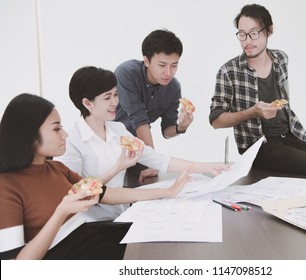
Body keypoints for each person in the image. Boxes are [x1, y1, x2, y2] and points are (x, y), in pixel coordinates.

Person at [0, 93, 194, 260]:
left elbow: (108, 195)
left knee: (167, 243)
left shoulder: (56, 168)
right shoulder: (6, 187)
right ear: (30, 135)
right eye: (56, 128)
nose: (65, 134)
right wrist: (61, 213)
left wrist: (169, 191)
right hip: (67, 255)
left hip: (91, 236)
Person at [55, 66, 229, 220]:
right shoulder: (71, 141)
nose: (115, 102)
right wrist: (117, 167)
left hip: (121, 214)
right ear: (87, 103)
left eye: (116, 94)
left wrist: (208, 167)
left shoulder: (118, 130)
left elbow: (158, 159)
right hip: (90, 222)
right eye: (107, 97)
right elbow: (76, 192)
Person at [209, 4, 306, 186]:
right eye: (242, 34)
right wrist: (253, 112)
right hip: (260, 146)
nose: (247, 40)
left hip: (291, 134)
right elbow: (216, 120)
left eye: (254, 33)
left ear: (269, 31)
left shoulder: (281, 59)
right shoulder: (228, 71)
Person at [114, 29, 194, 183]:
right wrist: (153, 161)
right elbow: (139, 120)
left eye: (174, 66)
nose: (168, 73)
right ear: (146, 61)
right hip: (109, 147)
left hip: (139, 151)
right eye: (162, 65)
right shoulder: (126, 73)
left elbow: (167, 131)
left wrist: (181, 127)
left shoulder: (173, 87)